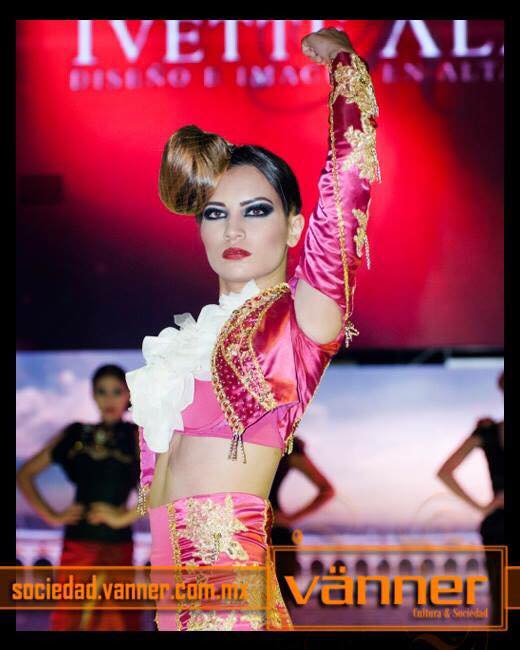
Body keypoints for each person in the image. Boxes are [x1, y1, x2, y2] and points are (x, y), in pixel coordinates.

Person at [126, 26, 381, 632]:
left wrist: (343, 63)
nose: (233, 230)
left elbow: (350, 179)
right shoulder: (182, 348)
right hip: (171, 603)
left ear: (294, 227)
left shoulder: (299, 322)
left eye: (256, 210)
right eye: (215, 214)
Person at [16, 364, 143, 631]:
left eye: (117, 391)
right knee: (72, 619)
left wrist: (124, 517)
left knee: (117, 620)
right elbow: (25, 474)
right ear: (93, 395)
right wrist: (52, 516)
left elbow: (161, 485)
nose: (109, 399)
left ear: (128, 394)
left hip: (118, 546)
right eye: (102, 391)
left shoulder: (137, 436)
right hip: (78, 545)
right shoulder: (75, 433)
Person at [436, 370, 504, 626]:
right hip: (499, 527)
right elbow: (445, 472)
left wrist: (483, 508)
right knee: (507, 601)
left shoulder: (488, 431)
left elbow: (445, 472)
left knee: (504, 601)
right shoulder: (487, 430)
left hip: (498, 525)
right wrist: (482, 508)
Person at [269, 436, 335, 612]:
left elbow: (327, 490)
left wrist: (290, 518)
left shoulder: (287, 445)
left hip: (274, 538)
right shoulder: (232, 439)